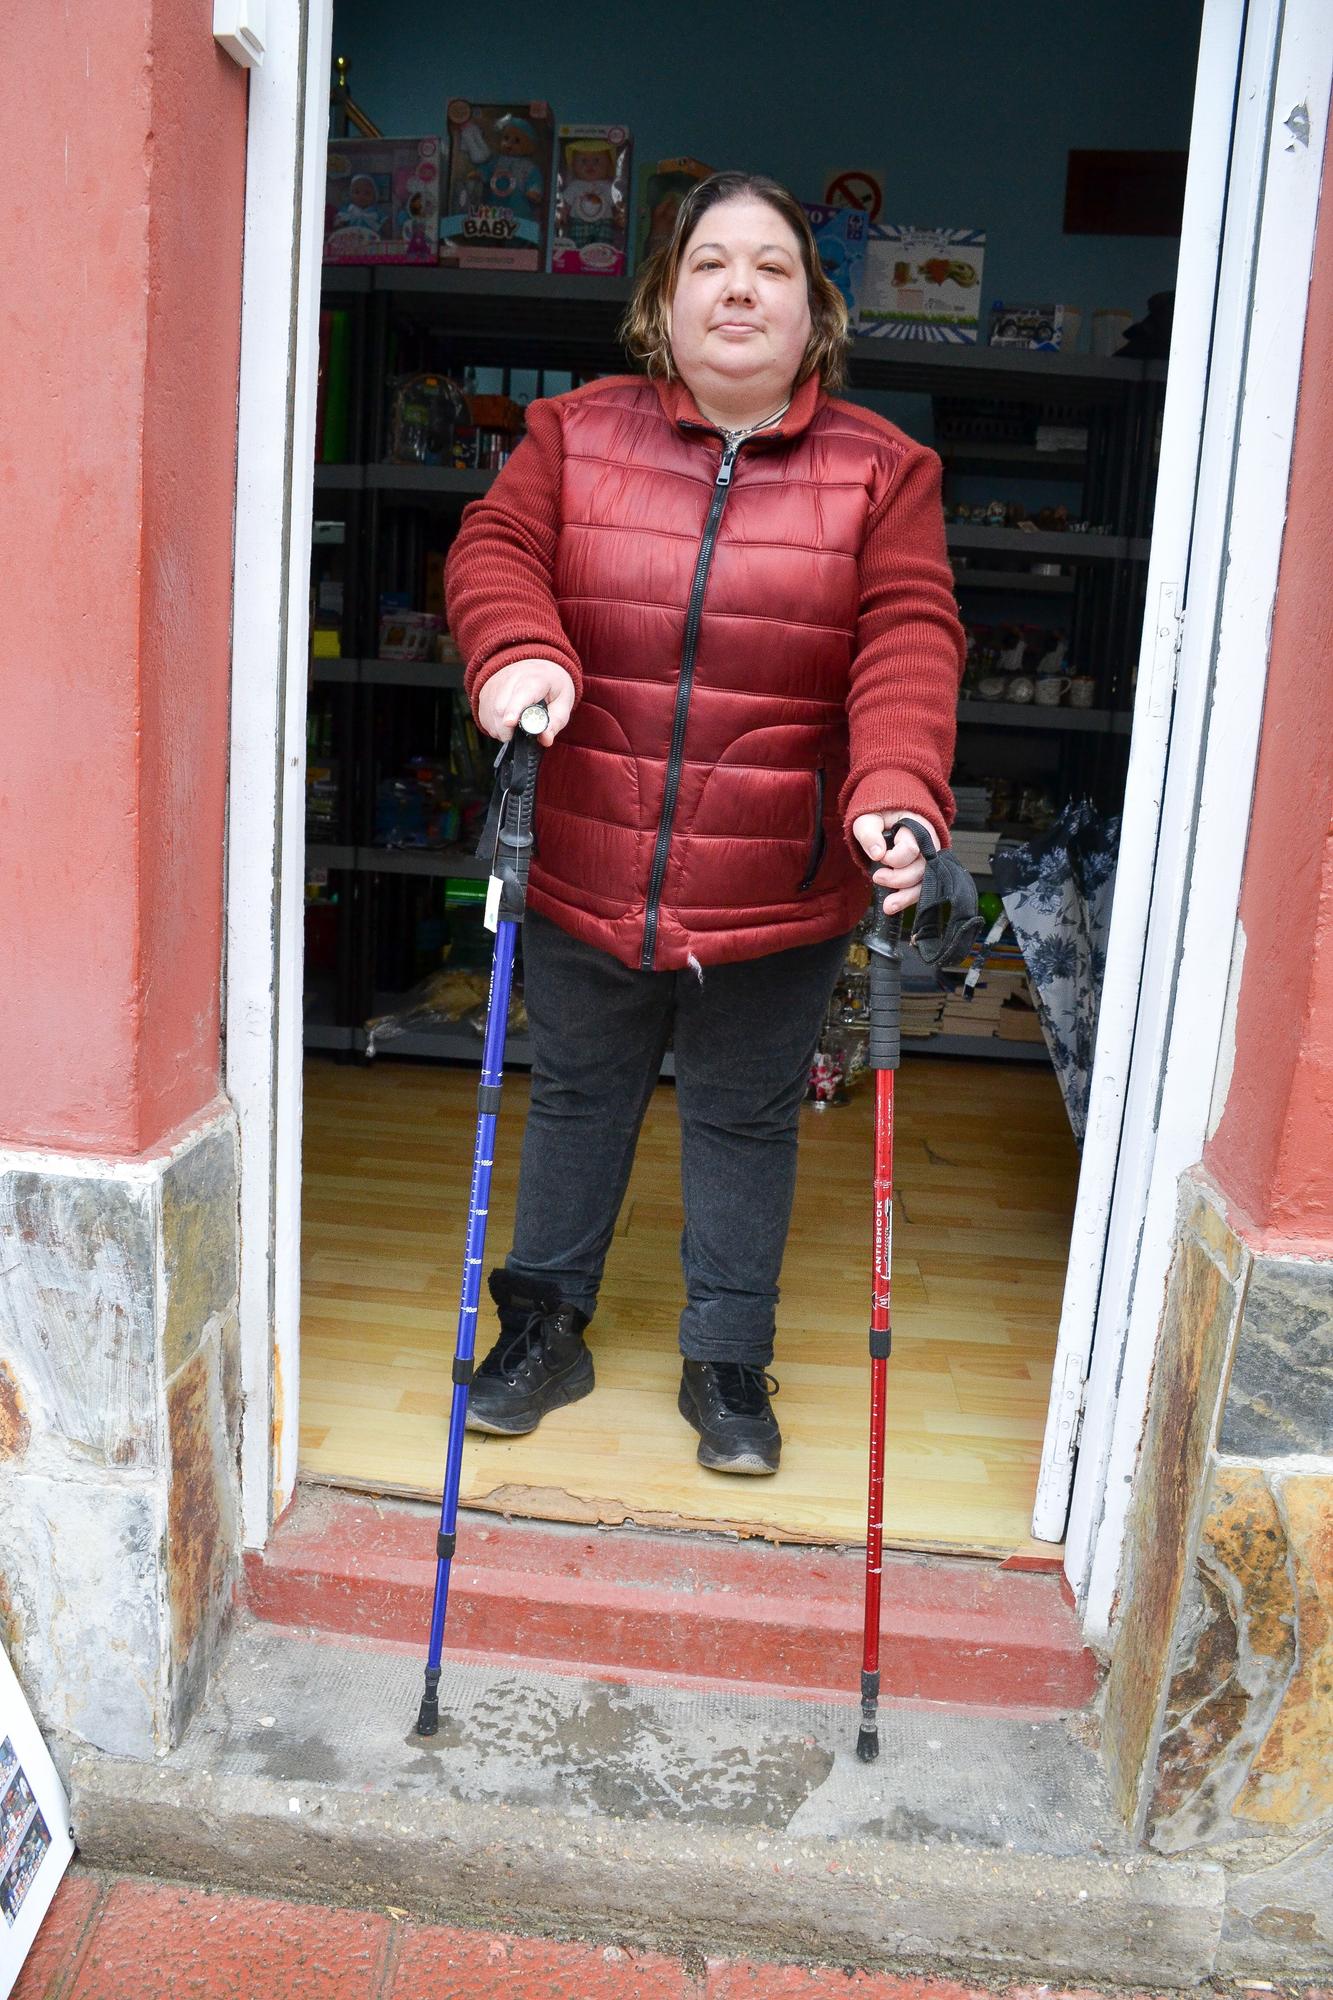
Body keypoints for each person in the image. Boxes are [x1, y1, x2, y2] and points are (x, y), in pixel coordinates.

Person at [445, 171, 963, 1476]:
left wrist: (894, 790)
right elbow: (492, 546)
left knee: (743, 1120)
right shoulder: (569, 433)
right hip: (580, 851)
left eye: (770, 268)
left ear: (812, 310)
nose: (738, 288)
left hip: (774, 878)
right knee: (574, 1099)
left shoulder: (882, 473)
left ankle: (726, 1360)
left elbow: (907, 640)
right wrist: (513, 651)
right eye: (709, 265)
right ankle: (542, 1328)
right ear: (662, 304)